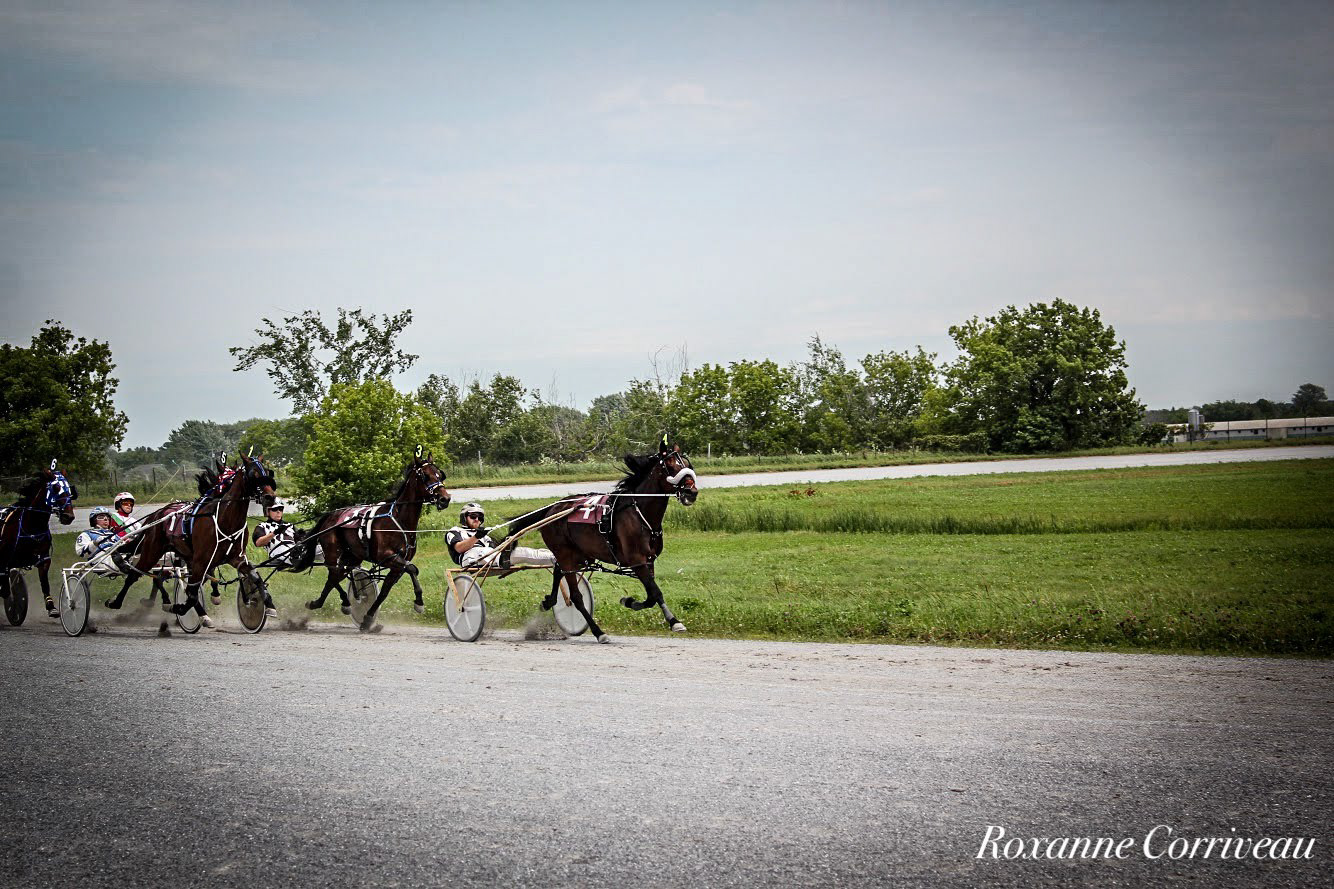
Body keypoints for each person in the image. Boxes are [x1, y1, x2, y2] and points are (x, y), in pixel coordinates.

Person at [445, 502, 555, 570]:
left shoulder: (485, 536)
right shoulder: (455, 531)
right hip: (469, 559)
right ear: (464, 517)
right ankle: (503, 559)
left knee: (524, 552)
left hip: (491, 557)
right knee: (482, 551)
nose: (477, 520)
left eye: (480, 517)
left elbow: (494, 549)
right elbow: (459, 548)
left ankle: (556, 558)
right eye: (473, 516)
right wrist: (476, 537)